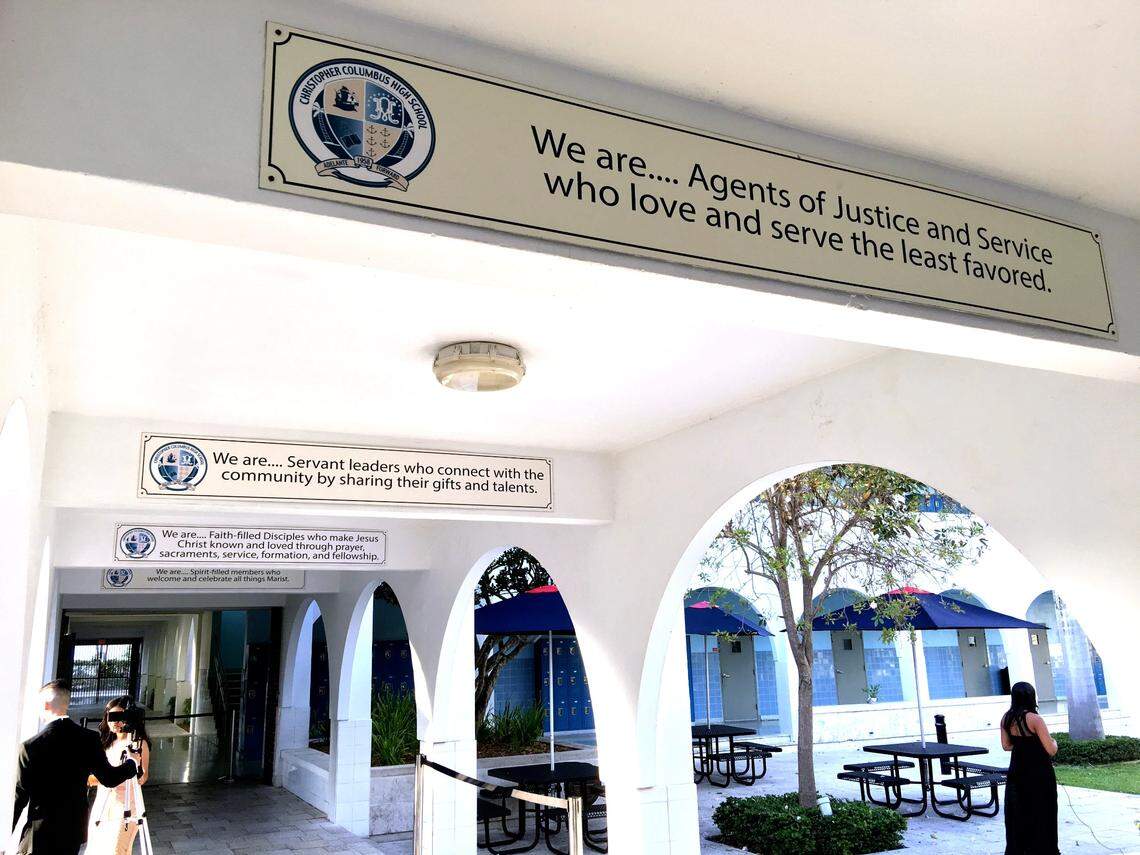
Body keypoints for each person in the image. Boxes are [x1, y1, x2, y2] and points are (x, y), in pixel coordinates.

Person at [11, 680, 138, 855]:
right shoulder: (89, 739)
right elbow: (109, 778)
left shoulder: (30, 747)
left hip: (39, 835)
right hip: (72, 832)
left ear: (46, 705)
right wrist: (131, 763)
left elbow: (19, 798)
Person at [86, 696, 151, 855]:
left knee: (117, 850)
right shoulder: (103, 743)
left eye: (119, 717)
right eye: (111, 717)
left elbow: (143, 777)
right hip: (102, 805)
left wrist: (131, 767)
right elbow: (93, 776)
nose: (115, 722)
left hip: (126, 807)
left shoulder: (138, 743)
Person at [1000, 680, 1059, 855]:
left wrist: (1022, 745)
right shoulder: (1035, 719)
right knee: (1043, 811)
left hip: (1017, 771)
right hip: (1039, 772)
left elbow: (1006, 746)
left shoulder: (1006, 718)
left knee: (1018, 813)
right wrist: (1054, 742)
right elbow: (1050, 749)